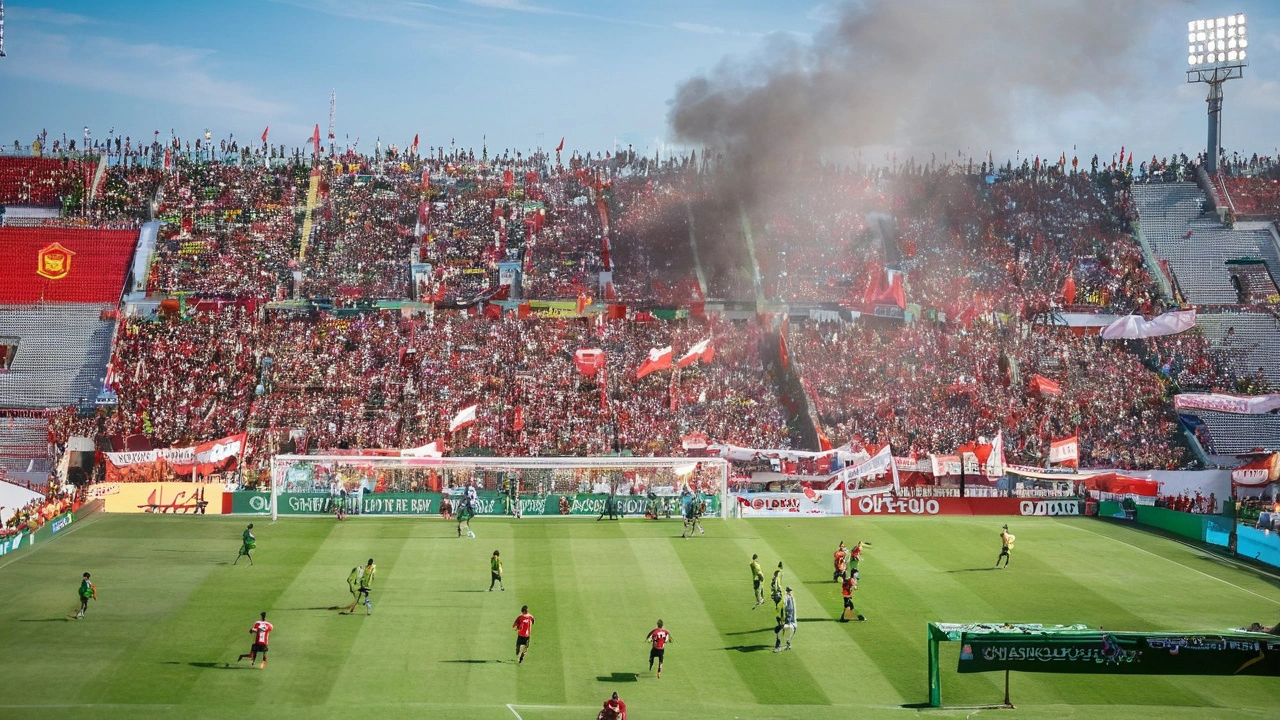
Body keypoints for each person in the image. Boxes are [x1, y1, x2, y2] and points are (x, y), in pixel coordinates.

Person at [776, 587, 797, 651]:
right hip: (788, 621)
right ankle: (780, 644)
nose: (789, 592)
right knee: (780, 630)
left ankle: (785, 643)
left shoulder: (789, 599)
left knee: (784, 629)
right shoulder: (787, 599)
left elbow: (789, 611)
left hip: (791, 622)